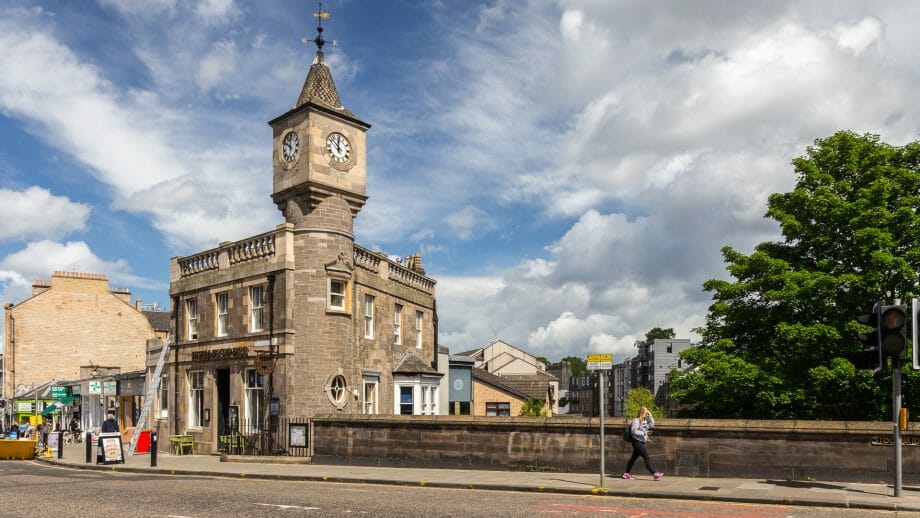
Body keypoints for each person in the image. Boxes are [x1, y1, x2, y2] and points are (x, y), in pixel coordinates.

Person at [622, 406, 664, 481]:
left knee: (633, 458)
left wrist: (650, 415)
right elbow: (633, 432)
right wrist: (644, 433)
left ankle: (626, 473)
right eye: (646, 412)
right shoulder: (636, 421)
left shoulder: (645, 421)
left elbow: (652, 424)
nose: (647, 414)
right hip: (636, 442)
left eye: (647, 412)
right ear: (642, 413)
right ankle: (654, 473)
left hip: (641, 442)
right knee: (646, 457)